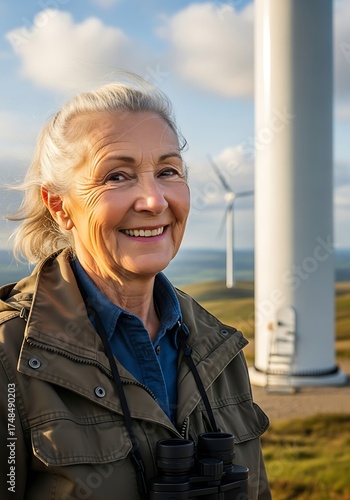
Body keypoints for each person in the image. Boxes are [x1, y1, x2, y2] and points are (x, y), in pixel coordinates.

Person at [0, 76, 271, 499]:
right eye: (116, 176)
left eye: (168, 171)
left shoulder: (217, 347)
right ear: (59, 206)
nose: (154, 200)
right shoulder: (10, 357)